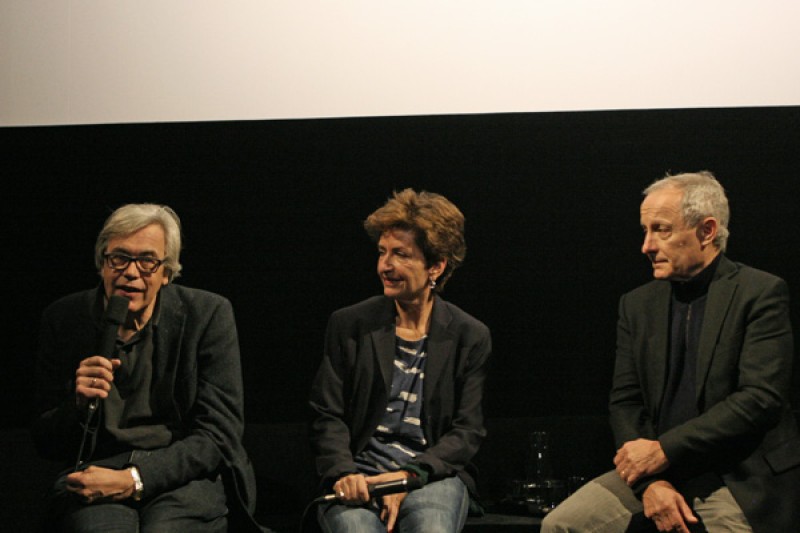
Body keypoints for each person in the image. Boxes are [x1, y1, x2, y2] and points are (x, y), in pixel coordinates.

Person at [541, 171, 800, 532]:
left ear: (707, 231)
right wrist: (650, 481)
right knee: (562, 525)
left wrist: (665, 450)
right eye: (645, 230)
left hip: (736, 474)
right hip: (660, 470)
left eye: (661, 229)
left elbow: (759, 399)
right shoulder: (637, 304)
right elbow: (626, 402)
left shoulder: (760, 293)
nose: (646, 245)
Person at [31, 203, 265, 532]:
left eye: (147, 261)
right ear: (102, 264)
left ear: (166, 272)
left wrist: (134, 478)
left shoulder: (208, 314)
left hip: (183, 474)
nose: (131, 271)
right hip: (98, 471)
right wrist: (77, 404)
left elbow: (219, 435)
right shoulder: (65, 318)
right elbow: (45, 441)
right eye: (119, 258)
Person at [309, 189, 492, 533]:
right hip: (361, 474)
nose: (385, 266)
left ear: (436, 266)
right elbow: (326, 414)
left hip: (431, 477)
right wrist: (344, 472)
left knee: (432, 527)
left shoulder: (470, 335)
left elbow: (467, 431)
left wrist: (409, 477)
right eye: (382, 253)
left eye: (401, 255)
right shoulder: (349, 325)